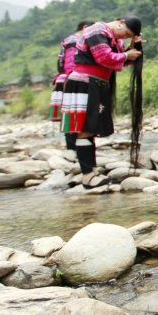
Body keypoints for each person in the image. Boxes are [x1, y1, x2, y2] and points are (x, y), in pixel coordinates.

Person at [59, 16, 143, 187]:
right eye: (125, 33)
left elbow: (117, 61)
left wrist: (130, 50)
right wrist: (127, 54)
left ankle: (91, 172)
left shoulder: (112, 38)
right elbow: (104, 57)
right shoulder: (97, 31)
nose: (123, 37)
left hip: (95, 83)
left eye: (127, 37)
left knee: (90, 128)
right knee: (85, 128)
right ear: (120, 22)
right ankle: (88, 176)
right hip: (86, 83)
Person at [50, 20, 94, 150]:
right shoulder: (77, 40)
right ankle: (76, 148)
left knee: (69, 114)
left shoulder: (66, 40)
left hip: (64, 78)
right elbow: (71, 63)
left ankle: (72, 148)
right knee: (77, 113)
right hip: (73, 79)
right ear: (85, 28)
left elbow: (61, 63)